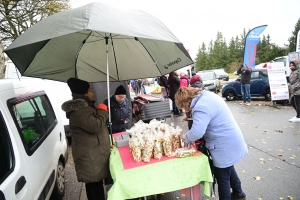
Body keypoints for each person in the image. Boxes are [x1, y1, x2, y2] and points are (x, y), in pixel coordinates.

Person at [175, 87, 248, 200]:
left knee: (222, 177)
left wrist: (187, 137)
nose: (185, 110)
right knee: (228, 167)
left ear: (185, 101)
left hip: (224, 143)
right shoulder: (206, 95)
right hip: (231, 139)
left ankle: (232, 195)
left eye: (183, 107)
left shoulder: (200, 107)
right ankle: (238, 193)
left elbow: (197, 132)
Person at [62, 78, 111, 200]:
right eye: (90, 90)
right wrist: (103, 111)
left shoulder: (85, 107)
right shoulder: (80, 111)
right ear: (83, 93)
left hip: (92, 155)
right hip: (90, 157)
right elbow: (95, 126)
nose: (93, 92)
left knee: (93, 185)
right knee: (96, 188)